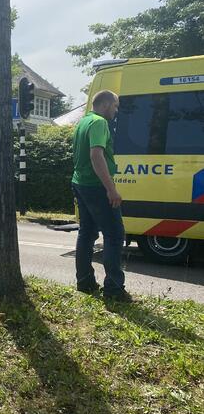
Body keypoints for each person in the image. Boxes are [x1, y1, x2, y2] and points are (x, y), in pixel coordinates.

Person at [71, 90, 131, 302]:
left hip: (80, 184)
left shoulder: (83, 122)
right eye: (115, 106)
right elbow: (96, 155)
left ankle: (85, 283)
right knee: (115, 235)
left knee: (86, 233)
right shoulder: (99, 123)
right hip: (96, 187)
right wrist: (111, 189)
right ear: (106, 104)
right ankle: (114, 289)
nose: (116, 111)